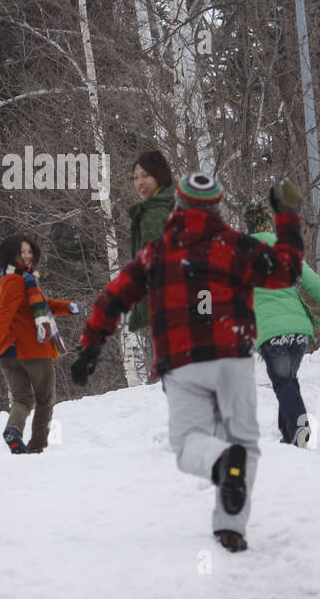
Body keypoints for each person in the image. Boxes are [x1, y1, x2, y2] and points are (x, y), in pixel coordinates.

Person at [70, 173, 304, 552]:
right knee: (244, 441)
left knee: (189, 443)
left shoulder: (156, 252)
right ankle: (231, 527)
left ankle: (221, 461)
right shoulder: (238, 246)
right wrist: (287, 214)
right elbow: (288, 271)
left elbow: (113, 298)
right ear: (217, 205)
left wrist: (91, 347)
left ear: (178, 204)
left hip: (183, 361)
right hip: (233, 356)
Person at [243, 199, 320, 448]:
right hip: (299, 331)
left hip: (271, 333)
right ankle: (289, 436)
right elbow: (313, 283)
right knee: (288, 380)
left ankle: (299, 427)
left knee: (283, 382)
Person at [0, 234, 81, 455]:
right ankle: (36, 447)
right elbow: (5, 314)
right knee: (45, 400)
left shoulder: (16, 279)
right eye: (21, 252)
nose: (26, 256)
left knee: (23, 399)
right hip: (32, 350)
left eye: (29, 251)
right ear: (10, 255)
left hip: (9, 354)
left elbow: (41, 306)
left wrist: (67, 307)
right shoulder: (17, 280)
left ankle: (13, 431)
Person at [127, 150, 175, 336]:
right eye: (135, 177)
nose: (139, 182)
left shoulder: (154, 212)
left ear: (159, 174)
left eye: (145, 175)